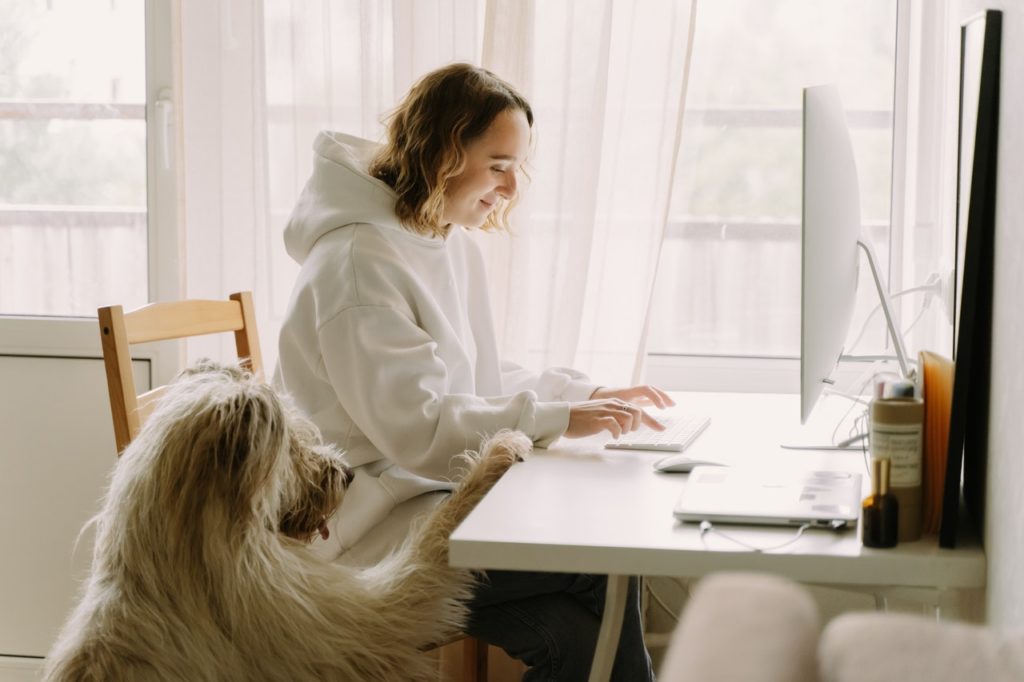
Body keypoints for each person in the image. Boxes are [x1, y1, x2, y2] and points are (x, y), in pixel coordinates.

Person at [275, 62, 671, 681]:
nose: (512, 189)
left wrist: (580, 395)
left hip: (421, 503)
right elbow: (422, 431)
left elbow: (476, 380)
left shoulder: (439, 238)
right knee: (602, 564)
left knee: (578, 636)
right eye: (498, 165)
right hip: (357, 534)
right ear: (442, 153)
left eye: (518, 169)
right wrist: (559, 419)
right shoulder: (357, 263)